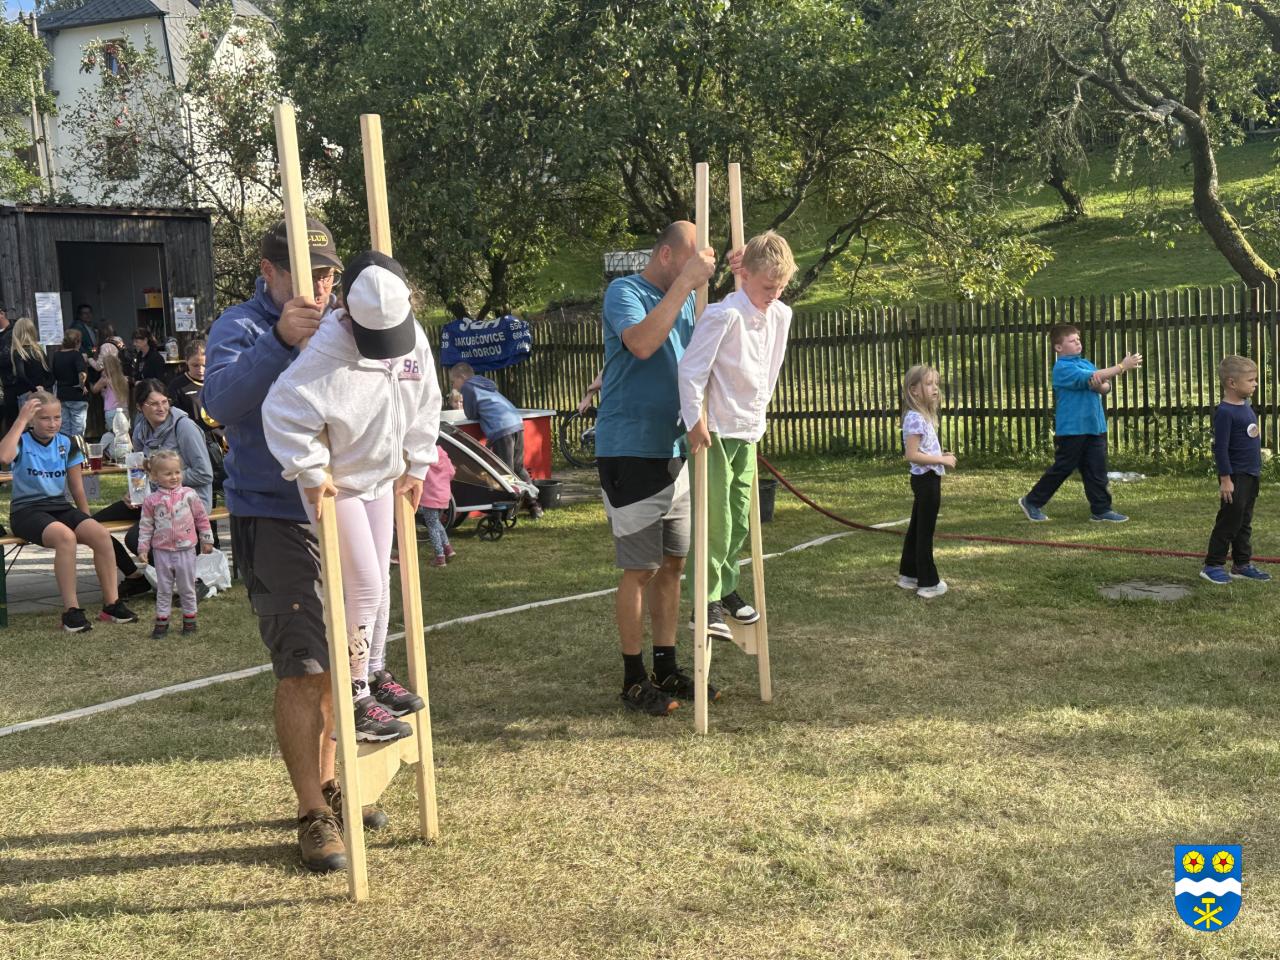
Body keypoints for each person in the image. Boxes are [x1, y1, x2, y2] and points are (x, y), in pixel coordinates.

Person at [203, 215, 368, 872]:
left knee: (339, 661)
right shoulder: (241, 327)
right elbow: (220, 402)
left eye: (328, 275)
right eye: (307, 273)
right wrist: (278, 341)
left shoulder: (338, 325)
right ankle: (311, 812)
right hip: (273, 516)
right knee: (302, 665)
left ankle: (329, 782)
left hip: (339, 508)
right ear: (269, 272)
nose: (321, 287)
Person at [264, 249, 440, 743]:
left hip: (382, 477)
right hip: (337, 483)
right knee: (362, 582)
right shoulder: (325, 352)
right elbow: (282, 409)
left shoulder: (413, 336)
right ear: (348, 311)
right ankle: (354, 695)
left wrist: (417, 462)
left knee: (379, 580)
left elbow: (426, 399)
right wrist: (309, 469)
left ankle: (374, 671)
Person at [596, 221, 716, 716]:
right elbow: (643, 343)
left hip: (674, 449)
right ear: (666, 255)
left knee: (673, 565)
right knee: (640, 568)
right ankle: (633, 679)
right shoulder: (624, 292)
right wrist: (687, 283)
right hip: (630, 449)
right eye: (689, 262)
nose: (697, 273)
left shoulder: (688, 299)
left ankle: (666, 666)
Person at [679, 231, 795, 637]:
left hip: (747, 430)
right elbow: (690, 371)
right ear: (745, 276)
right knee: (717, 519)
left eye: (780, 288)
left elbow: (769, 370)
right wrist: (694, 422)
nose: (774, 295)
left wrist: (753, 263)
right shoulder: (723, 316)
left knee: (741, 517)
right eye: (767, 288)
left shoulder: (780, 316)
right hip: (714, 429)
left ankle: (725, 587)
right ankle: (704, 600)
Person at [0, 391, 138, 632]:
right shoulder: (21, 440)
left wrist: (86, 519)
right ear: (32, 419)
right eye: (45, 418)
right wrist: (20, 420)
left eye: (57, 417)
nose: (52, 423)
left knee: (100, 534)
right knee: (66, 538)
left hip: (59, 506)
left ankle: (111, 605)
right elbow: (4, 457)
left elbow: (77, 487)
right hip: (26, 511)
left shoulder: (67, 443)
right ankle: (71, 612)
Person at [1017, 324, 1142, 523]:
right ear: (1058, 347)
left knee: (1096, 470)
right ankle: (1031, 501)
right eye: (1072, 341)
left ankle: (1101, 510)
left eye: (1078, 339)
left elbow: (1104, 385)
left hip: (1095, 426)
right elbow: (1094, 377)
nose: (1078, 343)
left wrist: (1101, 385)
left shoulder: (1085, 363)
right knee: (1063, 468)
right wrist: (1121, 367)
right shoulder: (1062, 368)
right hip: (1072, 429)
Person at [1200, 356, 1271, 585]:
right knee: (1229, 521)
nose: (1255, 384)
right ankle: (1212, 565)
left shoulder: (1246, 406)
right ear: (1232, 383)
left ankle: (1241, 564)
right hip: (1235, 476)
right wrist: (1225, 479)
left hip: (1251, 474)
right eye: (1250, 380)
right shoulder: (1225, 412)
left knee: (1244, 521)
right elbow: (1220, 448)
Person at [450, 361, 542, 518]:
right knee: (518, 468)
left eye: (453, 381)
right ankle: (535, 505)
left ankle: (503, 510)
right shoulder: (483, 384)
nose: (453, 386)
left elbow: (471, 414)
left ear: (462, 377)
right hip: (516, 423)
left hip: (501, 429)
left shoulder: (468, 387)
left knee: (504, 472)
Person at [137, 449, 214, 637]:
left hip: (186, 550)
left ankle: (190, 620)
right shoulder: (151, 501)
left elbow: (201, 518)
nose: (174, 477)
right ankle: (162, 622)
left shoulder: (189, 495)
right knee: (164, 589)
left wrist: (206, 539)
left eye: (177, 472)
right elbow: (146, 526)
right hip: (162, 552)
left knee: (187, 587)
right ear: (155, 476)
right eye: (168, 473)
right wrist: (143, 548)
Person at [898, 365, 956, 599]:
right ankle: (928, 583)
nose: (935, 389)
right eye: (929, 384)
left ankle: (909, 575)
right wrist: (941, 460)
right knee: (924, 532)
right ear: (914, 390)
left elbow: (923, 450)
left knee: (916, 528)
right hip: (926, 481)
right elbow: (912, 455)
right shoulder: (915, 418)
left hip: (928, 478)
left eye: (936, 384)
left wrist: (940, 456)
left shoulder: (921, 416)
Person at [418, 440, 456, 566]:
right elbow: (452, 472)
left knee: (432, 525)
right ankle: (447, 548)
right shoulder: (442, 454)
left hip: (430, 495)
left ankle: (440, 557)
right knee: (435, 522)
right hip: (443, 494)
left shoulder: (423, 455)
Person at [52, 330, 90, 440]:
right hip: (76, 395)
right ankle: (77, 449)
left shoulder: (56, 355)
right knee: (78, 430)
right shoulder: (76, 355)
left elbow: (53, 375)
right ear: (77, 342)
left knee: (64, 429)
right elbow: (82, 374)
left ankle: (66, 449)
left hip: (62, 394)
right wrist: (82, 385)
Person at [10, 317, 54, 405]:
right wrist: (42, 387)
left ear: (16, 333)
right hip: (42, 393)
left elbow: (21, 375)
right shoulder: (39, 351)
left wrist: (34, 389)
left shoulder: (18, 352)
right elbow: (50, 376)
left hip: (27, 393)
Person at [91, 350, 129, 438]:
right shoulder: (124, 379)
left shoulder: (105, 379)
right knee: (123, 435)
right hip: (124, 409)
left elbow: (95, 390)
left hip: (111, 410)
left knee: (113, 437)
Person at [0, 306, 17, 436]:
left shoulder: (13, 331)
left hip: (13, 383)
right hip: (5, 384)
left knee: (14, 421)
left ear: (1, 313)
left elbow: (7, 358)